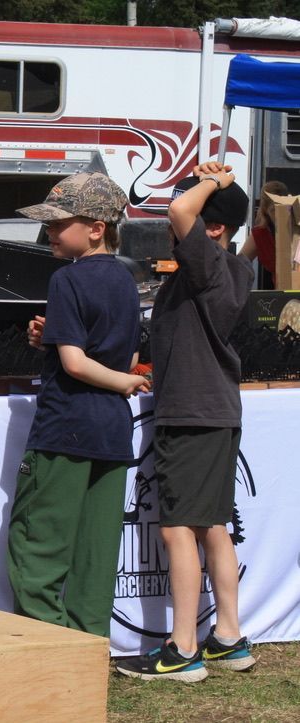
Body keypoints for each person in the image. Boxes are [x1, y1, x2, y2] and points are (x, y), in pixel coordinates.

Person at [116, 162, 256, 682]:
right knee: (213, 526)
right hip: (214, 410)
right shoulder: (233, 266)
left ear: (212, 227)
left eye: (198, 211)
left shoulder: (207, 261)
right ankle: (228, 638)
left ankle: (182, 650)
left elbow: (180, 209)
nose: (177, 216)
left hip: (194, 415)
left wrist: (214, 183)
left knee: (178, 530)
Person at [5, 172, 148, 639]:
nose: (48, 231)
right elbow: (122, 353)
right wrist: (119, 377)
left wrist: (122, 381)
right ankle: (90, 647)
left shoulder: (66, 278)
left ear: (95, 227)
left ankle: (50, 648)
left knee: (39, 549)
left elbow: (75, 363)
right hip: (111, 433)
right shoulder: (127, 280)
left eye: (58, 222)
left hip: (65, 426)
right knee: (96, 553)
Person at [239, 180, 289, 288]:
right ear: (265, 210)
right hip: (282, 294)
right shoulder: (260, 235)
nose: (278, 214)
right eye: (273, 210)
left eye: (283, 208)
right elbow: (239, 264)